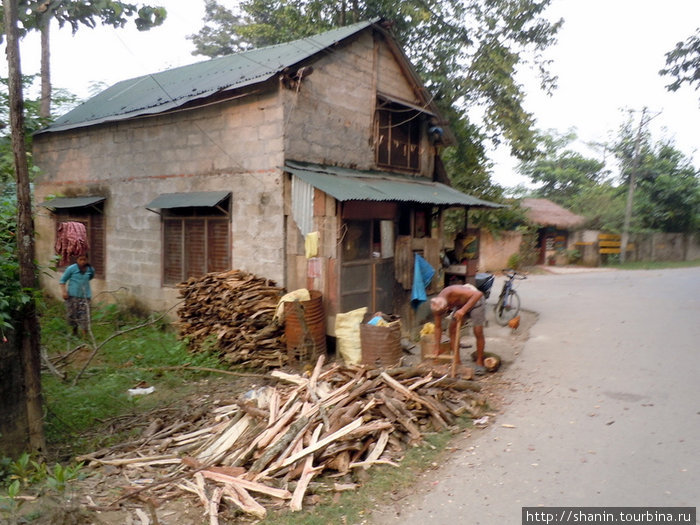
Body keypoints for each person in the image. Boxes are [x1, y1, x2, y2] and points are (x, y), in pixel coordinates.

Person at [430, 283, 486, 374]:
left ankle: (480, 362)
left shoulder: (453, 291)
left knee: (478, 331)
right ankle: (457, 362)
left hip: (476, 302)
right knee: (452, 329)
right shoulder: (437, 305)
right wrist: (437, 347)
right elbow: (438, 326)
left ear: (448, 307)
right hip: (461, 305)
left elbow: (478, 294)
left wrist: (463, 310)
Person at [59, 254, 95, 336]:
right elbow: (62, 281)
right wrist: (64, 292)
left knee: (85, 316)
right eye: (80, 260)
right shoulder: (71, 269)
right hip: (72, 296)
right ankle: (74, 332)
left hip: (85, 297)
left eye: (84, 259)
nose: (82, 262)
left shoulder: (90, 269)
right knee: (73, 315)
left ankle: (84, 336)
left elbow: (90, 277)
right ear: (77, 260)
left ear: (87, 260)